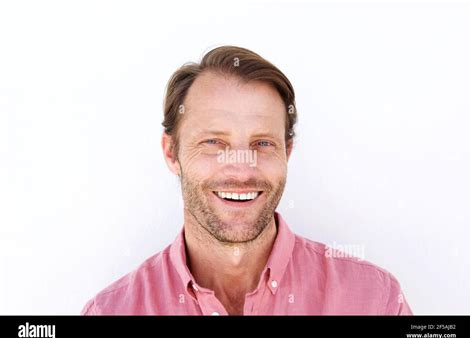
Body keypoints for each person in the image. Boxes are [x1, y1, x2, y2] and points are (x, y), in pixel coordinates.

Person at [81, 46, 412, 315]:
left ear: (288, 152)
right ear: (172, 153)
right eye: (214, 143)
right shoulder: (109, 313)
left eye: (262, 144)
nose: (241, 170)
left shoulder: (373, 301)